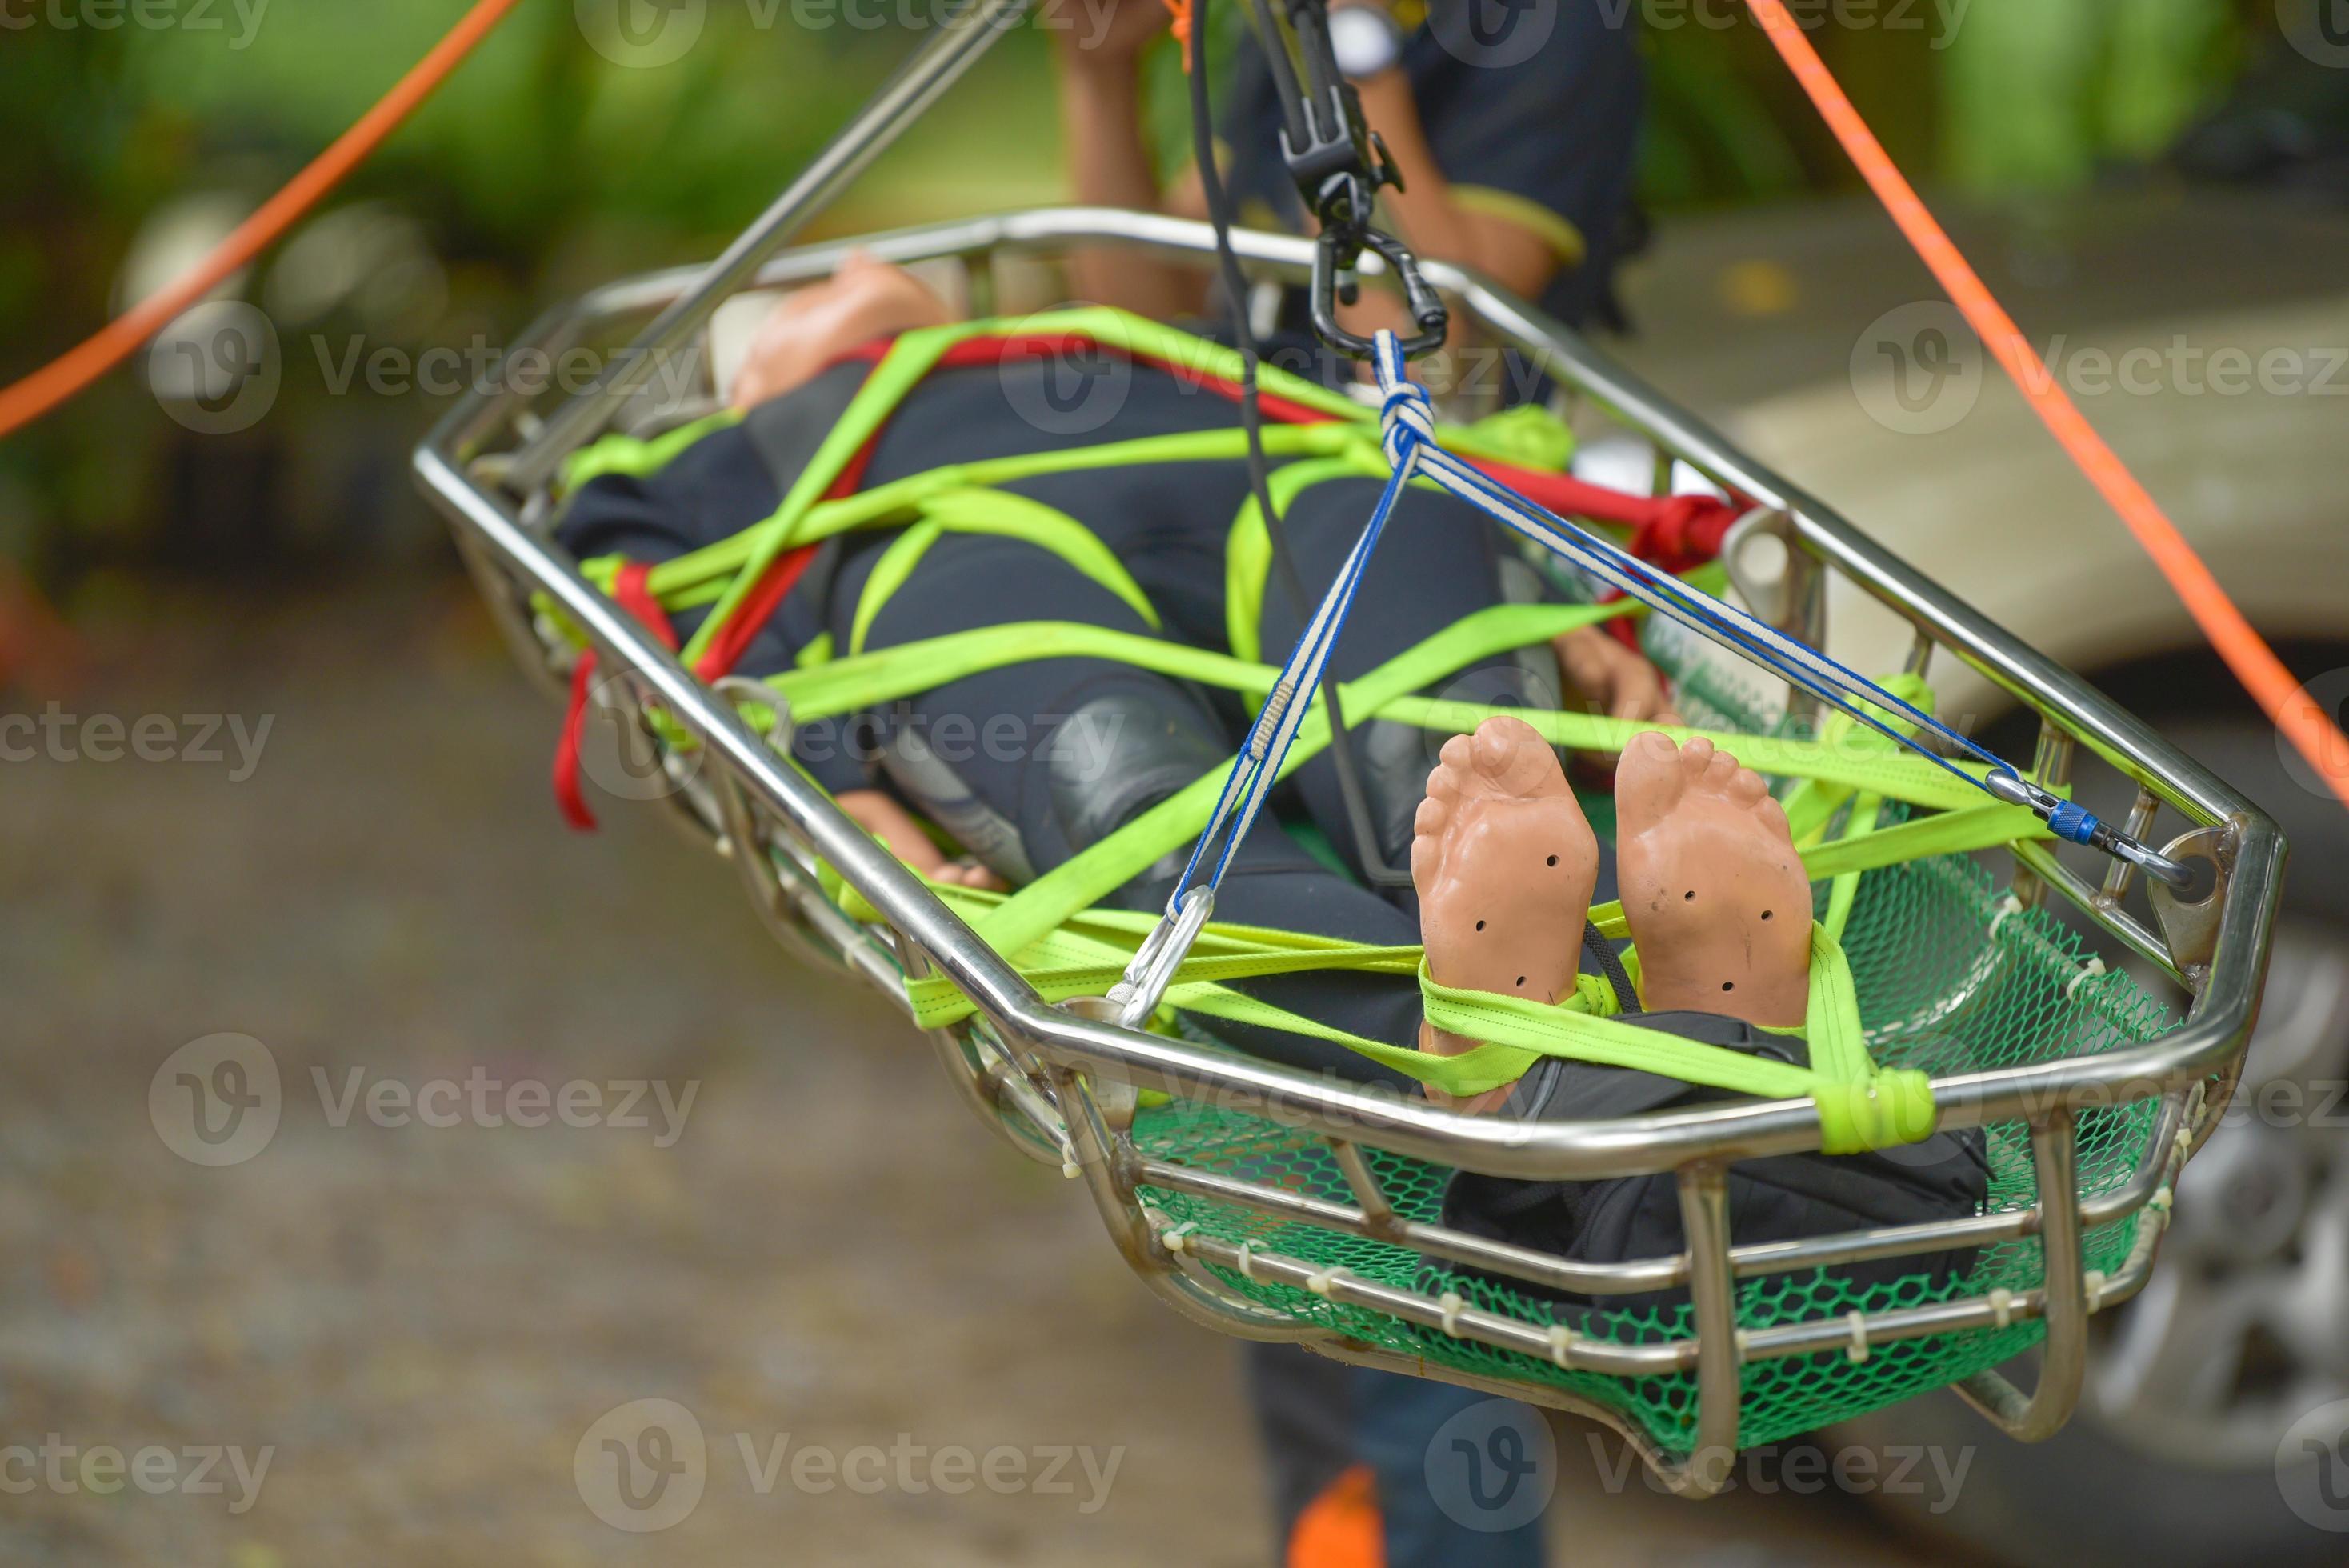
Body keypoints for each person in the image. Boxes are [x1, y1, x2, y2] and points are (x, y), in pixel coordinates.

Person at [554, 258, 1983, 1563]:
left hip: (1261, 480)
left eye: (892, 263)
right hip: (944, 544)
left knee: (1435, 670)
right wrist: (857, 822)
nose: (866, 269)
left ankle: (1686, 1011)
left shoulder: (1137, 344)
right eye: (813, 282)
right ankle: (1467, 1040)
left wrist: (1574, 621)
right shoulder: (703, 463)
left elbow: (1410, 419)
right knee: (1117, 784)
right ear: (749, 375)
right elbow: (663, 640)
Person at [1055, 0, 1646, 390]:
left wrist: (1345, 42)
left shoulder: (1554, 24)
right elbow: (1145, 321)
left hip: (1421, 496)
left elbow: (1414, 362)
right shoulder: (1281, 32)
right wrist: (1100, 71)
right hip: (1239, 465)